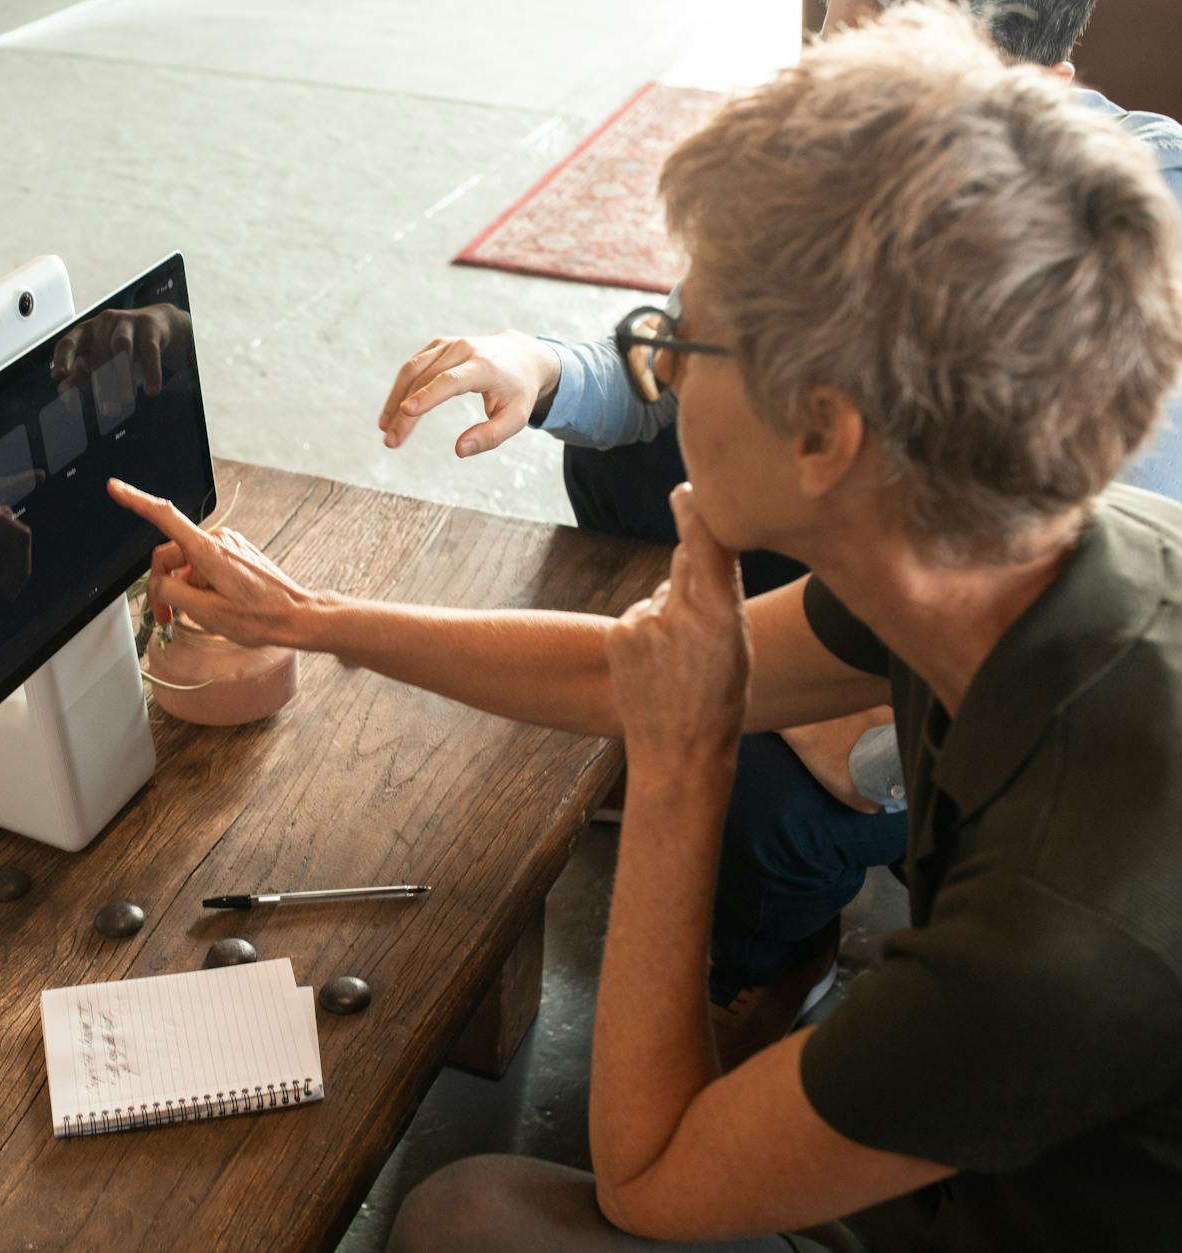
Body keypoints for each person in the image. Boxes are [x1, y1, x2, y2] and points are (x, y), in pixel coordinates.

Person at [108, 4, 1182, 1247]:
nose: (657, 367)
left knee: (472, 1215)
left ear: (825, 432)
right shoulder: (1021, 541)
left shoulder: (1057, 941)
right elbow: (621, 673)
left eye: (680, 339)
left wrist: (679, 768)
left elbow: (646, 1181)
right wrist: (317, 617)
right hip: (1005, 1133)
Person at [373, 0, 1182, 1069]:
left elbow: (649, 1185)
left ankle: (767, 954)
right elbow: (653, 371)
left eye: (883, 56)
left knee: (772, 787)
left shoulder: (1040, 936)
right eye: (830, 34)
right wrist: (544, 365)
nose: (833, 82)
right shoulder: (874, 173)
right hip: (946, 590)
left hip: (991, 680)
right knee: (618, 459)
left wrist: (792, 745)